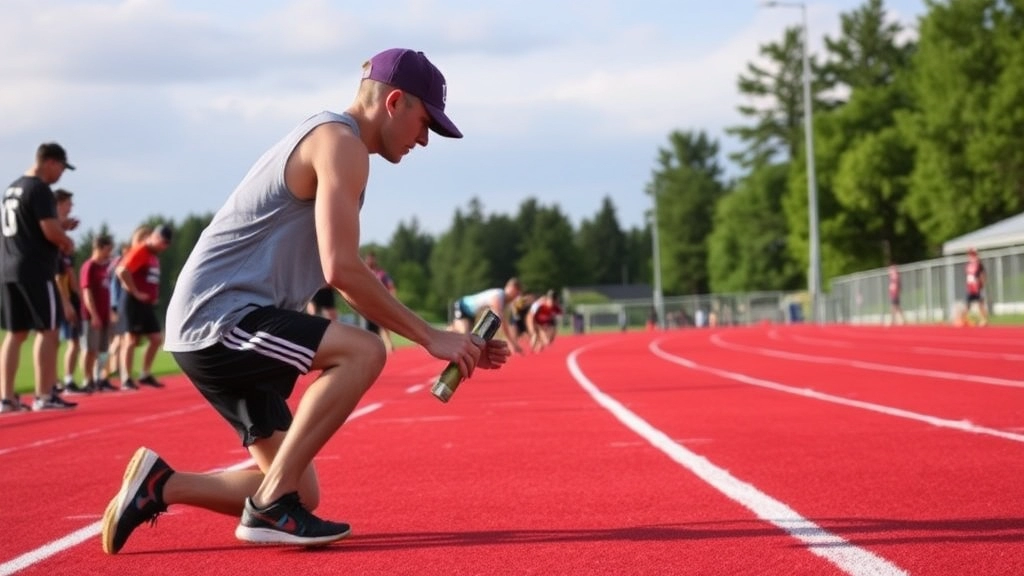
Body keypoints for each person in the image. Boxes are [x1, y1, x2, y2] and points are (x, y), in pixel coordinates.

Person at [101, 48, 510, 555]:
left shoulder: (336, 143)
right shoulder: (341, 144)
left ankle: (161, 486)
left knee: (303, 490)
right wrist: (432, 337)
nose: (424, 140)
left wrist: (456, 342)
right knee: (364, 351)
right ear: (395, 101)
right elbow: (341, 270)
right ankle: (269, 506)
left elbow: (333, 267)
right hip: (220, 316)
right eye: (425, 123)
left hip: (211, 320)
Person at [0, 143, 79, 412]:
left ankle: (7, 398)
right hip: (35, 267)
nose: (60, 176)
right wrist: (66, 240)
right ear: (51, 163)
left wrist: (60, 226)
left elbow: (29, 226)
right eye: (61, 169)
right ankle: (44, 395)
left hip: (9, 266)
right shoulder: (39, 189)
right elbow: (49, 231)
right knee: (49, 330)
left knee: (15, 334)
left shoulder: (12, 188)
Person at [114, 224, 172, 390]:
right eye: (163, 242)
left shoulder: (154, 256)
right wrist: (136, 292)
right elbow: (122, 270)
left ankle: (145, 374)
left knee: (156, 338)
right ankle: (126, 378)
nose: (164, 247)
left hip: (146, 304)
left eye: (167, 244)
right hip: (133, 301)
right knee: (130, 340)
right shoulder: (141, 250)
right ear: (155, 237)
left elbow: (150, 280)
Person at [53, 189, 86, 393]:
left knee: (71, 341)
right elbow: (56, 275)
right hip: (57, 296)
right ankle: (56, 382)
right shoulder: (53, 237)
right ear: (59, 204)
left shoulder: (63, 238)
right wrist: (65, 302)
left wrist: (78, 297)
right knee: (54, 340)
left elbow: (69, 271)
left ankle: (65, 380)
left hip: (67, 296)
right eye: (68, 204)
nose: (71, 207)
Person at [79, 234, 116, 392]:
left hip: (105, 314)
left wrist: (108, 313)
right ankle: (87, 379)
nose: (109, 253)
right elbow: (87, 292)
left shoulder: (104, 268)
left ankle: (98, 376)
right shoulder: (90, 266)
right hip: (91, 316)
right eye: (107, 249)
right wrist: (94, 314)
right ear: (99, 248)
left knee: (103, 349)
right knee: (89, 348)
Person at [451, 278, 523, 354]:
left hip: (471, 314)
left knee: (465, 337)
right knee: (464, 336)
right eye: (516, 294)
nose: (515, 297)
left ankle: (447, 333)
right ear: (510, 289)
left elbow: (507, 321)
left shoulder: (504, 300)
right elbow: (500, 319)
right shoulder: (498, 296)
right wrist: (511, 343)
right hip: (462, 306)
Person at [363, 251, 396, 353]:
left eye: (371, 259)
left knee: (383, 324)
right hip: (368, 304)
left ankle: (389, 344)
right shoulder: (363, 273)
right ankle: (374, 347)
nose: (369, 261)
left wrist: (392, 299)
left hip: (380, 302)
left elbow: (391, 286)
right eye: (368, 259)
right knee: (371, 328)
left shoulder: (381, 274)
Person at [964, 247, 988, 326]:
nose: (971, 256)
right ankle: (967, 319)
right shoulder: (968, 264)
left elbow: (982, 275)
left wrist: (982, 284)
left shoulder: (979, 264)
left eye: (973, 254)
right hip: (970, 287)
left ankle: (984, 320)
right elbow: (968, 276)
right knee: (968, 304)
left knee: (980, 303)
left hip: (977, 287)